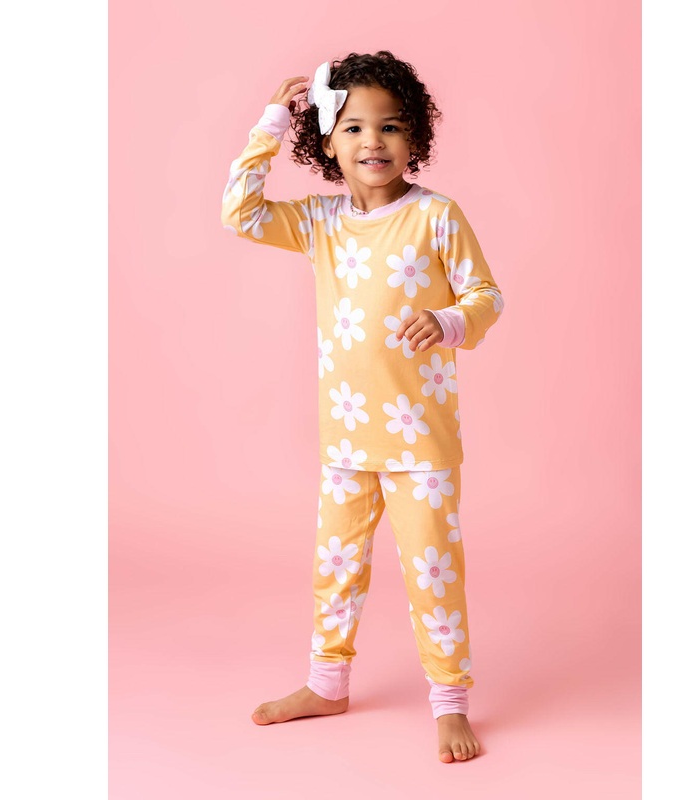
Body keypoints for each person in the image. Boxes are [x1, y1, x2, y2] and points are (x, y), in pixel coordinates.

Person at [220, 51, 504, 763]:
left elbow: (486, 296)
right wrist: (270, 125)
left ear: (415, 139)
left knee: (432, 570)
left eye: (391, 126)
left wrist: (449, 320)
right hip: (347, 439)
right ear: (326, 142)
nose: (372, 141)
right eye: (352, 128)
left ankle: (449, 702)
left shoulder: (436, 216)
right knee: (335, 568)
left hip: (421, 444)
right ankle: (327, 684)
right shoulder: (319, 222)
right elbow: (239, 213)